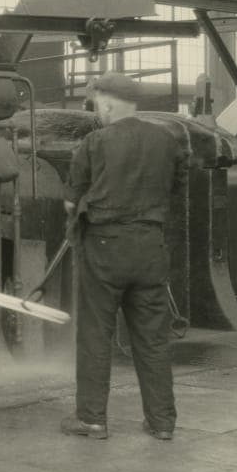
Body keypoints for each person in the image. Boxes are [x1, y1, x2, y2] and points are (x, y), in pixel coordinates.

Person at [61, 72, 186, 442]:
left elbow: (70, 200)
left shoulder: (94, 143)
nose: (97, 109)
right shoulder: (167, 140)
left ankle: (92, 419)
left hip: (104, 249)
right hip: (150, 246)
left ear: (109, 102)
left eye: (98, 102)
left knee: (96, 334)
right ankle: (162, 422)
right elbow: (177, 190)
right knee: (153, 338)